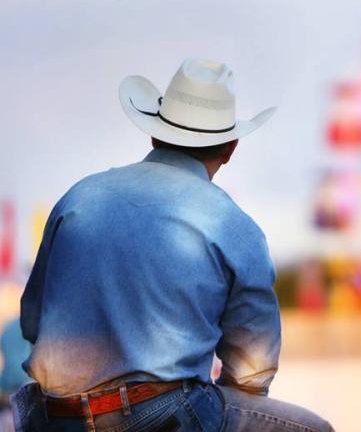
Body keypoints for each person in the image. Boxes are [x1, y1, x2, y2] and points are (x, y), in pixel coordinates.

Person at [13, 59, 334, 432]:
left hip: (55, 417)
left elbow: (33, 320)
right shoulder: (233, 226)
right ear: (230, 148)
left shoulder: (78, 198)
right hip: (162, 415)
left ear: (153, 134)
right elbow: (253, 370)